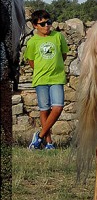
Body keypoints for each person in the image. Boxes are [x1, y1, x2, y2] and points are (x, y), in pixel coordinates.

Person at [24, 10, 69, 150]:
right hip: (41, 79)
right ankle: (49, 143)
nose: (47, 26)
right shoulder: (32, 42)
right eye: (42, 23)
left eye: (48, 22)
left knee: (58, 107)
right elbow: (31, 62)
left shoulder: (58, 37)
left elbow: (64, 55)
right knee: (44, 110)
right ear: (35, 25)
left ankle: (39, 136)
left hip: (57, 78)